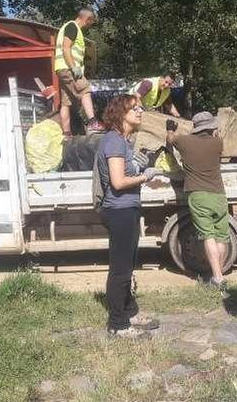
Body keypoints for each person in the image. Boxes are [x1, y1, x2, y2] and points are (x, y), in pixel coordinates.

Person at [95, 94, 159, 338]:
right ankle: (118, 324)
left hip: (127, 208)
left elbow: (124, 172)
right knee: (120, 269)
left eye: (141, 107)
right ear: (121, 114)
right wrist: (145, 176)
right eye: (135, 109)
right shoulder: (114, 141)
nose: (140, 112)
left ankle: (130, 311)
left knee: (128, 266)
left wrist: (138, 166)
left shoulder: (123, 141)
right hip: (119, 210)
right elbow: (118, 182)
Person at [166, 111, 229, 290]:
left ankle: (217, 278)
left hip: (198, 195)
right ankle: (219, 273)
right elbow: (216, 138)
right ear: (211, 127)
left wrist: (170, 129)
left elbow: (170, 140)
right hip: (219, 195)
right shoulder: (218, 143)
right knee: (221, 237)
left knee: (208, 236)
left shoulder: (184, 142)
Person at [54, 8, 105, 137]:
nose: (90, 26)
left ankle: (66, 133)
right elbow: (66, 47)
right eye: (91, 22)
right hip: (69, 68)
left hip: (62, 69)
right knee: (85, 90)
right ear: (88, 19)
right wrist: (73, 67)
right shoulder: (72, 27)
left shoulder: (68, 27)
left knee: (66, 102)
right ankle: (93, 123)